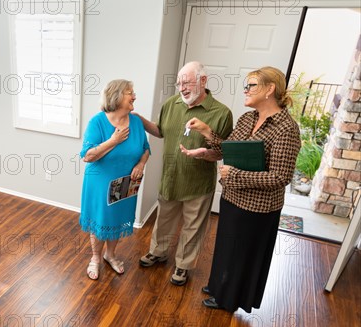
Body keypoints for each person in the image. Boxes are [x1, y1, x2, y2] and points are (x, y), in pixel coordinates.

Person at [183, 66, 301, 312]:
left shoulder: (286, 129)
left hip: (258, 208)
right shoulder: (247, 118)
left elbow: (281, 177)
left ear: (270, 89)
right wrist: (206, 131)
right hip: (233, 198)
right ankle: (218, 286)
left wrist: (236, 174)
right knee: (226, 247)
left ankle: (229, 299)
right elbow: (230, 149)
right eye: (246, 86)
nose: (245, 90)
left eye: (251, 86)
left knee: (242, 255)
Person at [136, 62, 233, 286]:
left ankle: (183, 265)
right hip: (170, 177)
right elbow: (161, 131)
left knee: (193, 226)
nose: (182, 87)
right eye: (179, 83)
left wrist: (203, 154)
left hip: (197, 183)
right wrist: (139, 120)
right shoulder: (172, 103)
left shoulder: (221, 113)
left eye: (186, 82)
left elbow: (223, 151)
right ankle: (158, 252)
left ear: (203, 81)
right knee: (164, 220)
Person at [80, 79, 151, 280]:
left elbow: (146, 149)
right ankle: (95, 257)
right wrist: (113, 141)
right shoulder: (98, 122)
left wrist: (140, 164)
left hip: (126, 183)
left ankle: (110, 255)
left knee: (117, 219)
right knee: (100, 220)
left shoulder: (136, 122)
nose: (134, 96)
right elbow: (87, 155)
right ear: (117, 96)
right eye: (130, 92)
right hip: (100, 184)